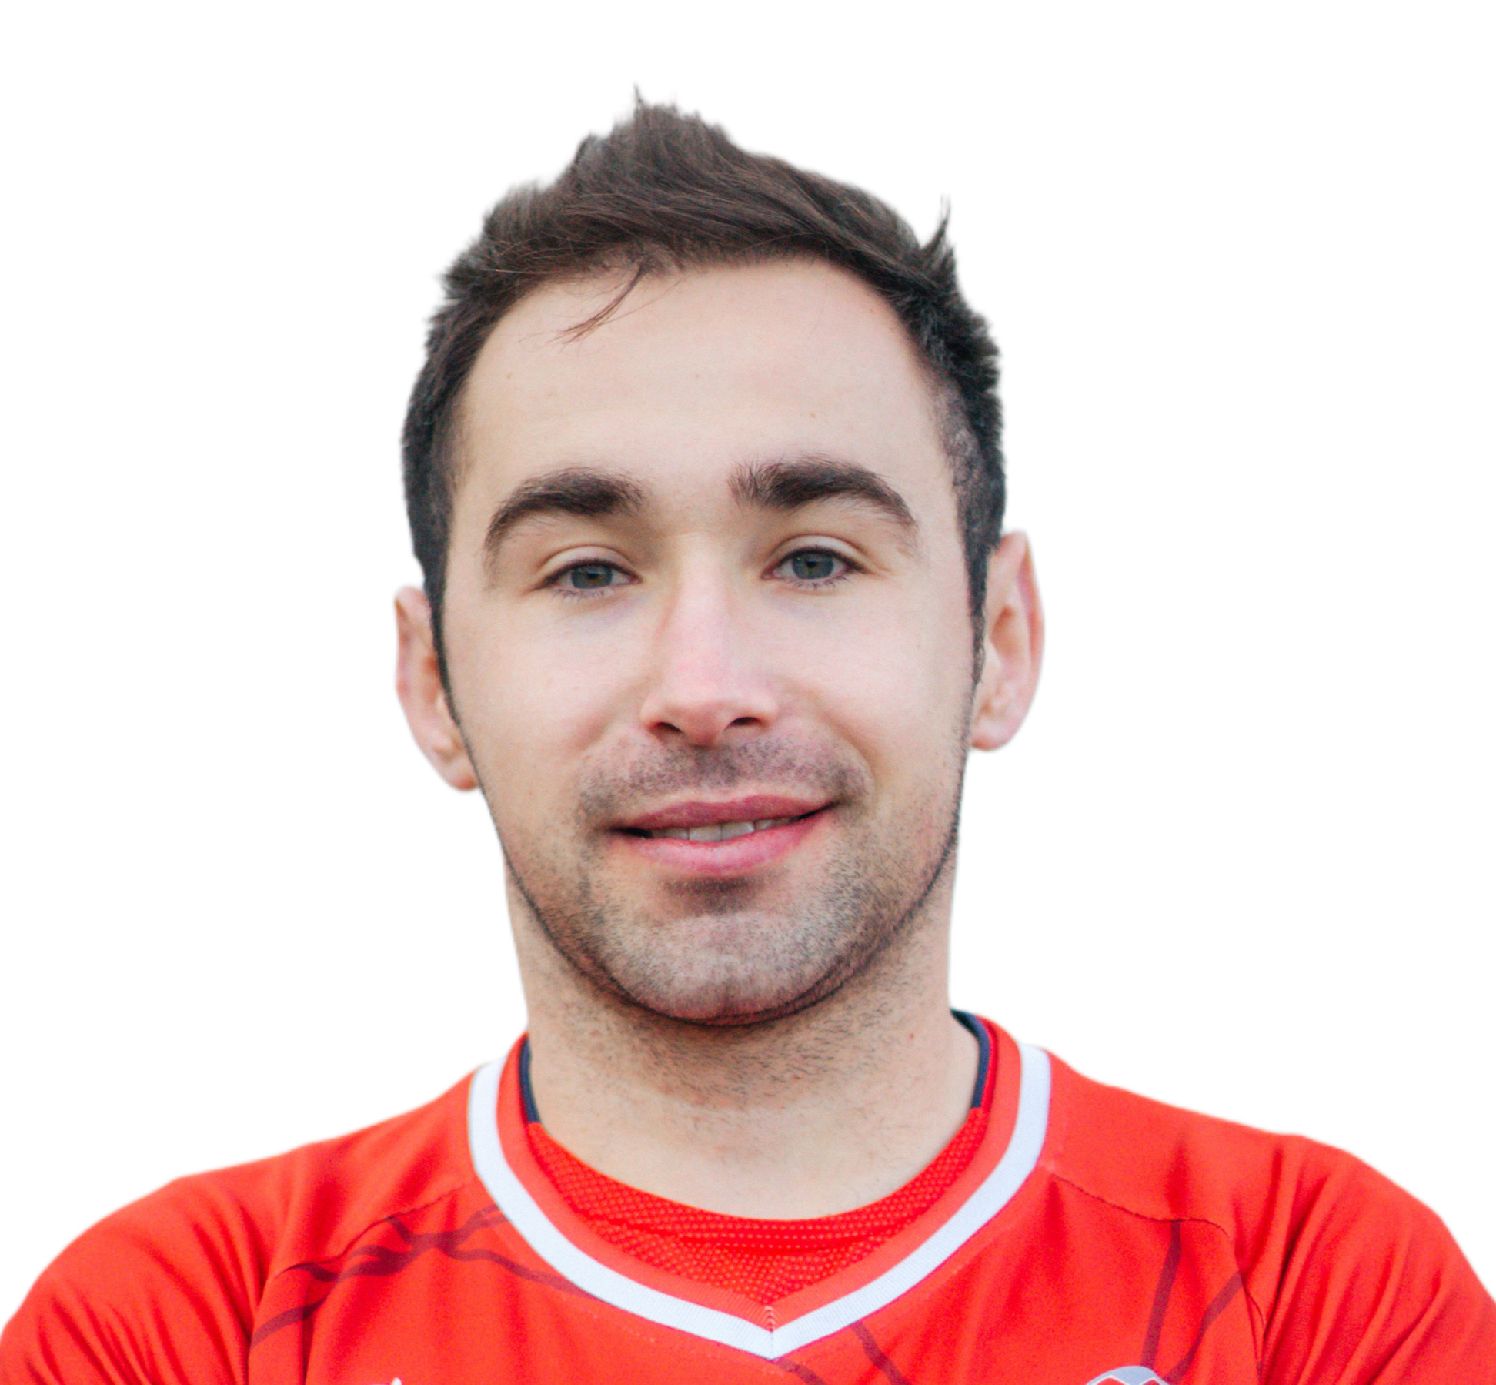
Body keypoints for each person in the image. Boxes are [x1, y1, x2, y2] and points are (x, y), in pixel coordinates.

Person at [2, 100, 1491, 1385]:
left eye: (816, 559)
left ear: (1001, 638)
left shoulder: (1315, 1295)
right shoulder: (182, 1327)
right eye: (589, 570)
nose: (705, 687)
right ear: (434, 681)